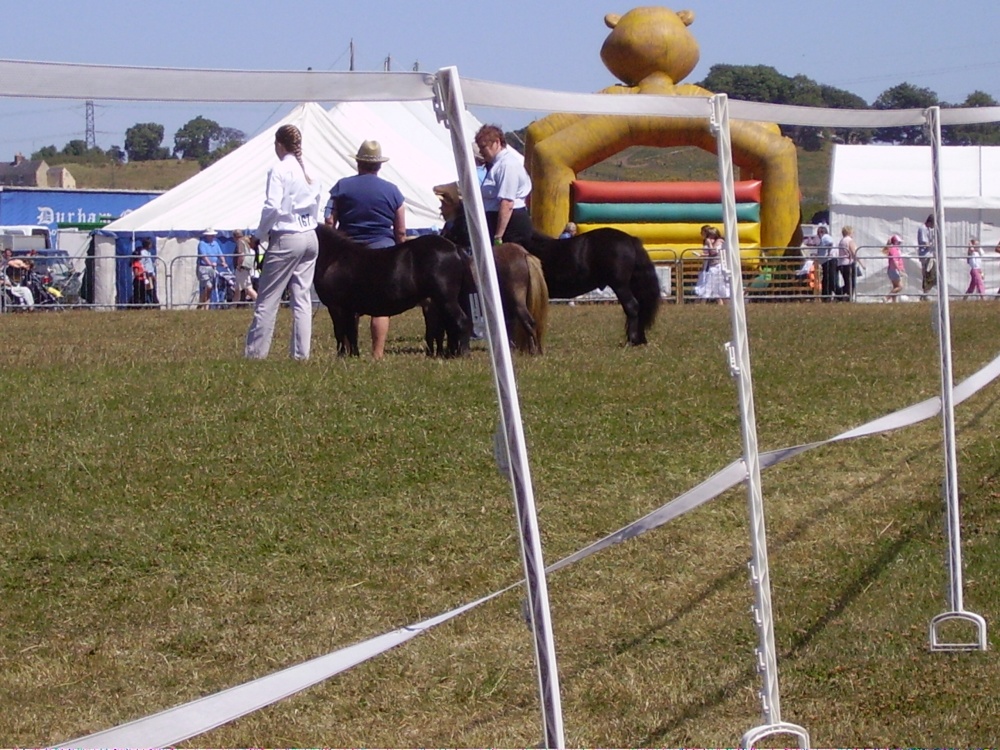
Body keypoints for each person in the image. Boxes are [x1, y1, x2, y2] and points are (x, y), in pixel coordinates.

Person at [244, 124, 322, 360]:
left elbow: (272, 206)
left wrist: (259, 234)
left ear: (279, 144)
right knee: (302, 298)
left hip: (287, 236)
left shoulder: (279, 169)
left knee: (267, 300)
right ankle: (301, 355)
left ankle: (255, 355)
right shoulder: (310, 171)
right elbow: (316, 202)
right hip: (310, 235)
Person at [326, 139, 405, 360]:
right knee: (381, 306)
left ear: (358, 163)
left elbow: (330, 221)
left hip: (349, 254)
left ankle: (349, 349)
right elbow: (400, 230)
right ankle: (377, 353)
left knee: (349, 303)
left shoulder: (341, 187)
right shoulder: (393, 191)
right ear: (379, 166)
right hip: (384, 253)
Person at [475, 124, 532, 246]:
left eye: (483, 146)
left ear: (497, 142)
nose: (480, 151)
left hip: (510, 228)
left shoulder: (507, 165)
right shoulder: (497, 165)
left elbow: (507, 203)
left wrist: (498, 237)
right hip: (500, 224)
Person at [693, 225, 730, 304]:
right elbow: (710, 254)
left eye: (711, 236)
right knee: (711, 287)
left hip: (717, 267)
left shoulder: (719, 241)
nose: (709, 238)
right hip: (710, 266)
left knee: (715, 287)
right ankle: (702, 304)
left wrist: (709, 243)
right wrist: (702, 255)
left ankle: (701, 303)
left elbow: (714, 252)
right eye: (708, 236)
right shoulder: (710, 241)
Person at [196, 228, 226, 309]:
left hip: (213, 268)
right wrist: (210, 263)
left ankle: (205, 306)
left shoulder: (215, 243)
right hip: (204, 268)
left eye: (213, 235)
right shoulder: (201, 244)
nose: (212, 237)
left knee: (210, 288)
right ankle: (201, 305)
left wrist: (223, 262)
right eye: (211, 235)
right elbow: (203, 256)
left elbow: (220, 254)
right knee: (208, 286)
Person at [232, 229, 258, 304]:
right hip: (247, 268)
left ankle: (259, 302)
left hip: (242, 268)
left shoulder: (240, 242)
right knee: (238, 288)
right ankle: (233, 305)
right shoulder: (246, 242)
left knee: (248, 289)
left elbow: (241, 254)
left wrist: (239, 266)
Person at [814, 224, 839, 299]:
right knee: (826, 280)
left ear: (821, 232)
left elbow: (830, 243)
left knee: (831, 280)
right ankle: (826, 297)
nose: (818, 235)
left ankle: (840, 294)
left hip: (829, 261)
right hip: (826, 262)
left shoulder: (825, 237)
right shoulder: (823, 239)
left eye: (818, 233)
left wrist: (829, 252)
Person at [837, 225, 861, 301]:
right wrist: (861, 262)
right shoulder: (849, 240)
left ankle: (842, 295)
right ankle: (846, 297)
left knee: (847, 282)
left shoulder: (842, 241)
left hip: (841, 263)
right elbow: (854, 252)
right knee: (851, 283)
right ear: (849, 232)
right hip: (849, 263)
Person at [917, 214, 936, 297]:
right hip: (925, 255)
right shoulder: (922, 229)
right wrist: (932, 245)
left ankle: (926, 292)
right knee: (928, 274)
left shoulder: (928, 229)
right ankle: (925, 293)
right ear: (930, 222)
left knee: (933, 274)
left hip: (930, 255)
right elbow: (924, 242)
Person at [883, 234, 904, 302]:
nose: (899, 244)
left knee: (895, 287)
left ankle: (894, 301)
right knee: (900, 286)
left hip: (892, 269)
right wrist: (899, 269)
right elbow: (895, 261)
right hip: (894, 270)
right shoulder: (894, 250)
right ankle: (887, 297)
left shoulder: (893, 249)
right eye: (899, 242)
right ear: (895, 242)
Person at [138, 238, 159, 305]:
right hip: (147, 275)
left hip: (150, 275)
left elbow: (149, 264)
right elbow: (142, 264)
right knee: (150, 290)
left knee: (150, 290)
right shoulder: (143, 253)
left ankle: (152, 303)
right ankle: (154, 304)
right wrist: (146, 273)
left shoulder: (148, 253)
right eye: (150, 244)